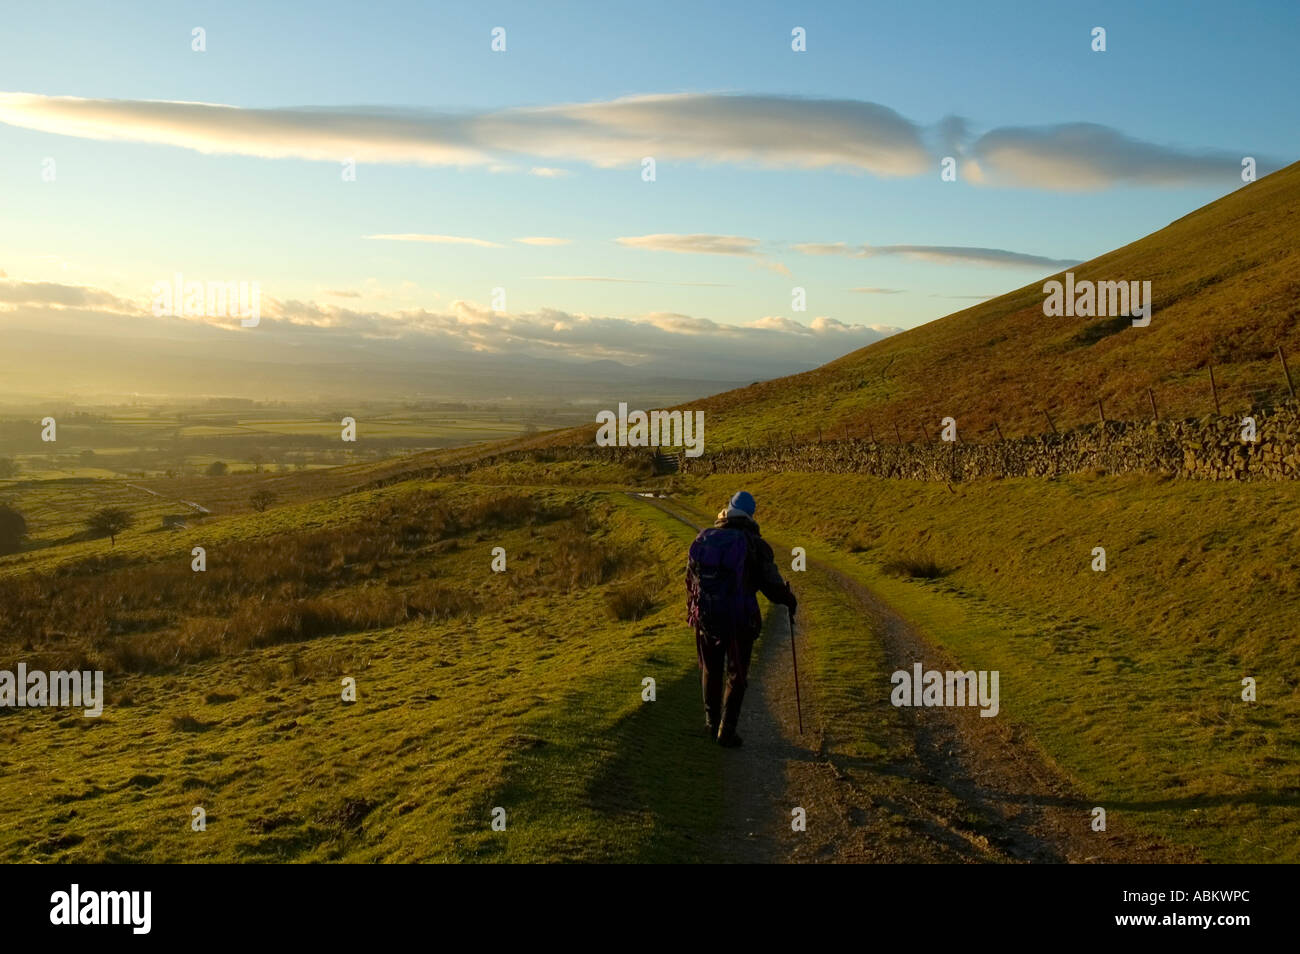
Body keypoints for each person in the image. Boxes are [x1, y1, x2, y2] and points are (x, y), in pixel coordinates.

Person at [686, 490, 797, 747]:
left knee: (711, 669)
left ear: (727, 510)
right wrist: (789, 600)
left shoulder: (705, 539)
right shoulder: (754, 544)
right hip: (739, 620)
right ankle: (727, 730)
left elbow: (691, 580)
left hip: (707, 618)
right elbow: (771, 585)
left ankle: (711, 723)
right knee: (737, 674)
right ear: (751, 514)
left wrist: (694, 611)